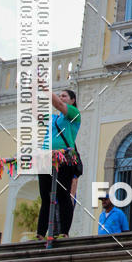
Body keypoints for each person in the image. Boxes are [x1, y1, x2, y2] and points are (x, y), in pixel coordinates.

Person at [35, 89, 81, 240]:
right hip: (46, 158)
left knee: (62, 195)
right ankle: (40, 234)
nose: (61, 98)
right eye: (60, 95)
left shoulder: (74, 115)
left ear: (73, 100)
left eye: (64, 95)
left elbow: (59, 104)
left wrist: (43, 87)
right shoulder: (53, 118)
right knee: (45, 197)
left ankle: (64, 233)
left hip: (64, 159)